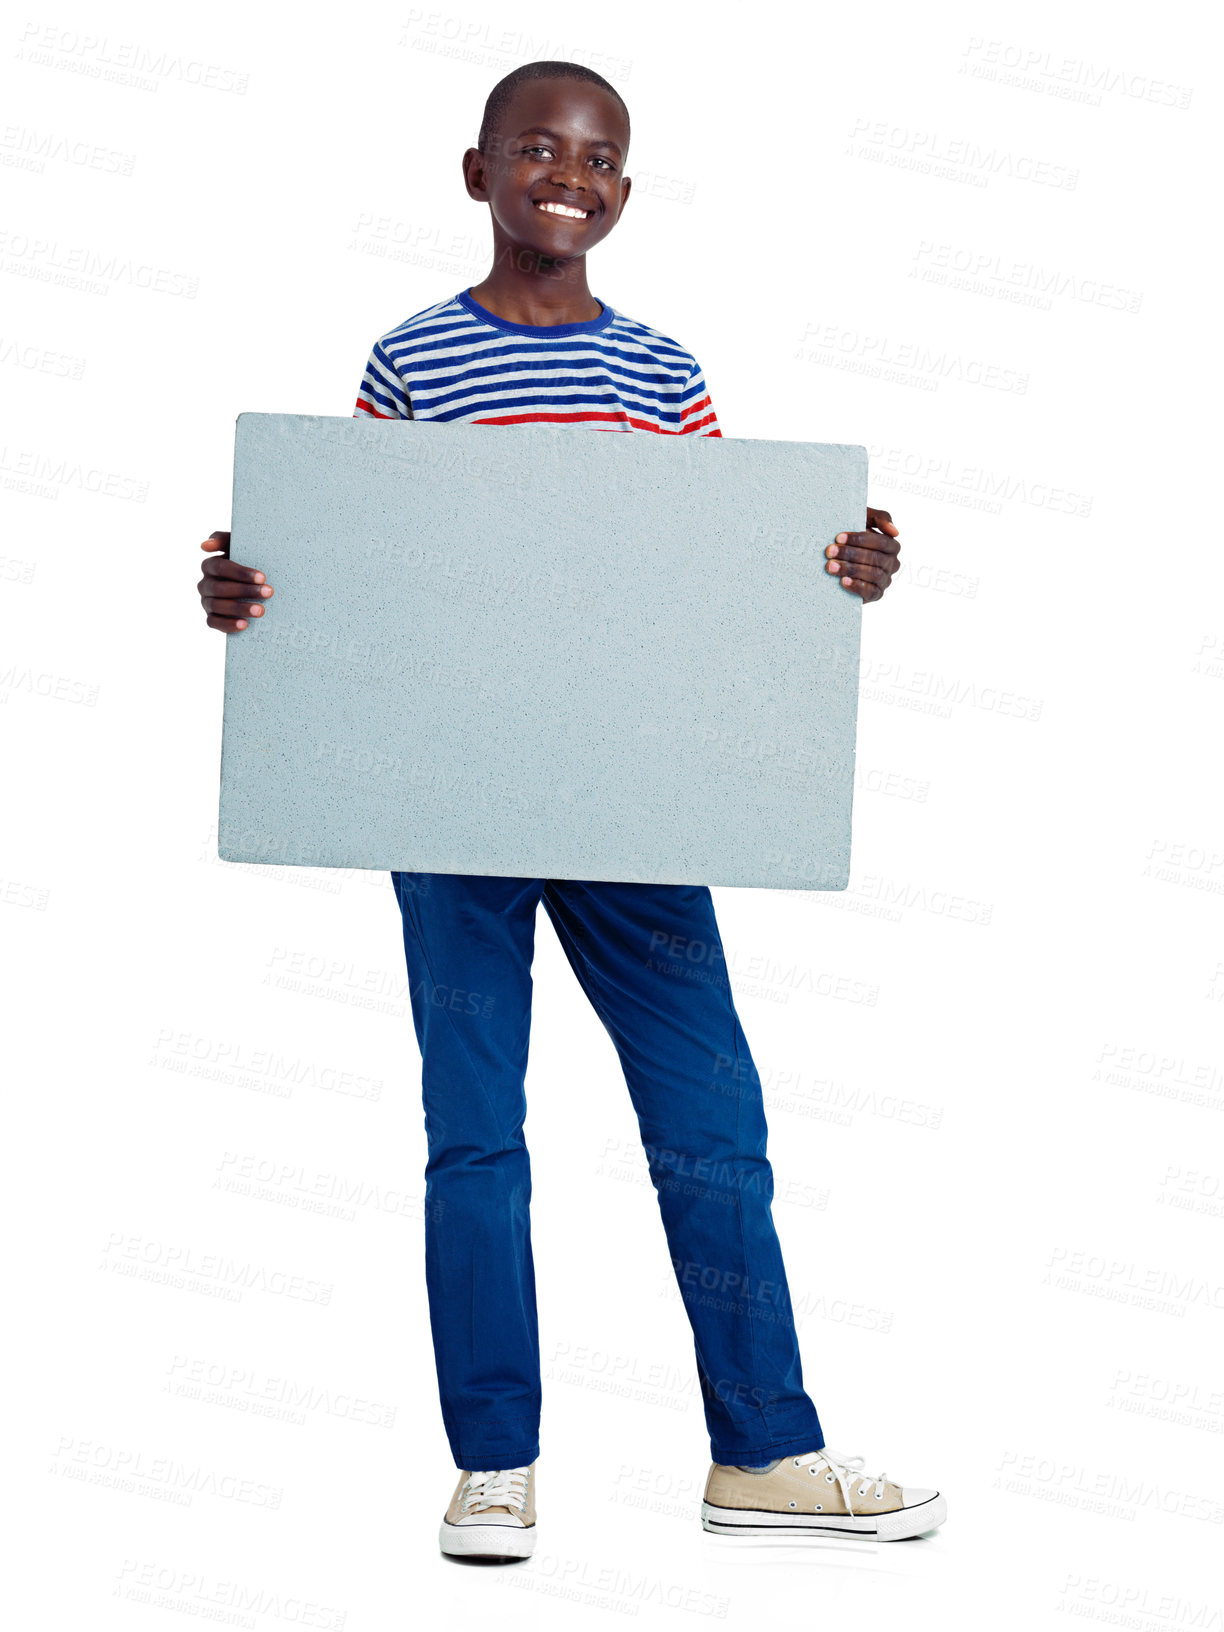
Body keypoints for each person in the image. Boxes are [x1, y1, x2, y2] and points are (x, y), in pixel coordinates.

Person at [197, 60, 943, 1561]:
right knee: (476, 1132)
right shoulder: (411, 359)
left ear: (626, 192)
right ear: (477, 172)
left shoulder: (661, 374)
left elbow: (719, 574)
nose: (570, 177)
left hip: (634, 803)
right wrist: (252, 588)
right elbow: (357, 562)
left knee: (713, 1123)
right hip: (452, 799)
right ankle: (495, 1463)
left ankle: (765, 1450)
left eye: (600, 159)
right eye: (539, 149)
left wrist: (836, 571)